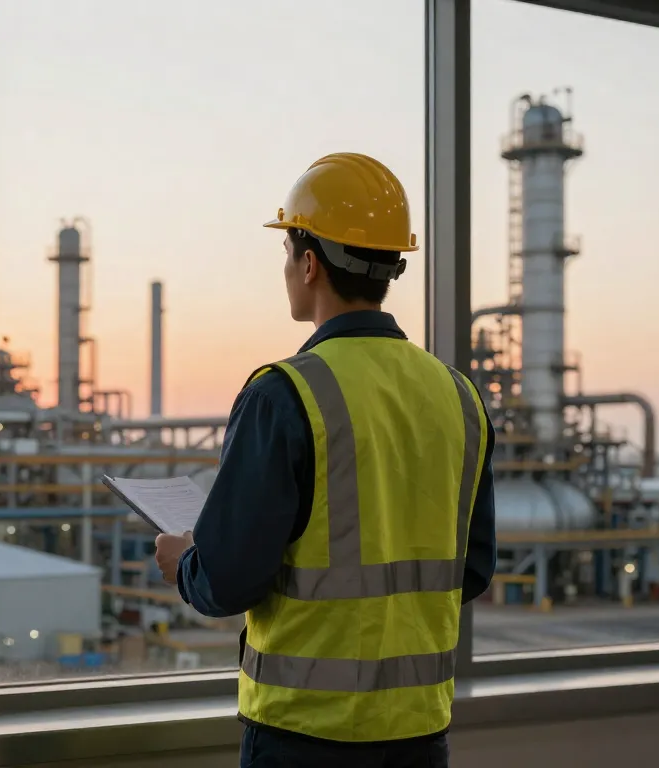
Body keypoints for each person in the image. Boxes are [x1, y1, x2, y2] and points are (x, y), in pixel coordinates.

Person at [154, 152, 498, 768]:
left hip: (301, 738)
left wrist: (185, 562)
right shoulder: (459, 396)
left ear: (308, 262)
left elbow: (225, 581)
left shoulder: (284, 396)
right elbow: (470, 571)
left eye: (287, 251)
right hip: (419, 737)